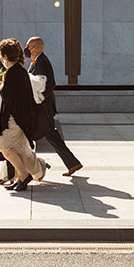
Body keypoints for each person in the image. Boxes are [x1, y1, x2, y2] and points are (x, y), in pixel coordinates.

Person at [0, 38, 48, 191]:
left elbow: (10, 97)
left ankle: (23, 175)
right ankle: (22, 176)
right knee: (18, 150)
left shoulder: (13, 72)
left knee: (4, 148)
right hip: (20, 119)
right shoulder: (19, 70)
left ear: (4, 55)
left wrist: (0, 88)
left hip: (13, 120)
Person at [26, 36, 83, 177]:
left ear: (38, 47)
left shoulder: (43, 62)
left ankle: (28, 168)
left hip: (43, 107)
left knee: (42, 134)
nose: (27, 50)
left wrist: (39, 97)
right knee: (50, 135)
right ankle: (72, 163)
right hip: (42, 107)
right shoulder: (36, 61)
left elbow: (50, 85)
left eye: (29, 47)